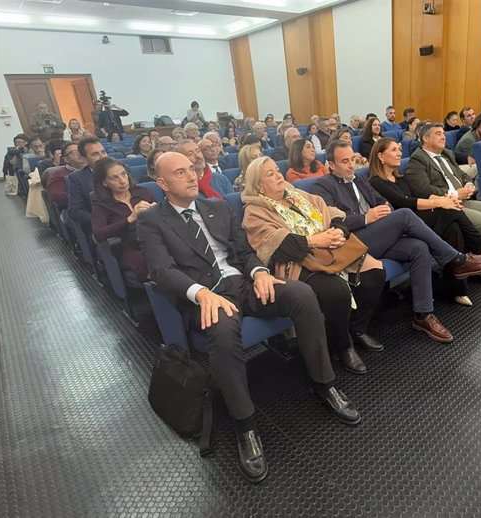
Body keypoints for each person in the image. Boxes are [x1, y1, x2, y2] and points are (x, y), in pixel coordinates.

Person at [136, 151, 361, 483]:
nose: (191, 176)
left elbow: (242, 252)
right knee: (224, 334)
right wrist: (201, 293)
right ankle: (246, 426)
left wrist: (258, 272)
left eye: (192, 170)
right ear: (162, 183)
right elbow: (162, 270)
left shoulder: (217, 207)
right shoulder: (152, 220)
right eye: (180, 172)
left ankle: (324, 384)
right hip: (207, 295)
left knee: (301, 293)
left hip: (243, 283)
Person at [313, 140, 481, 342]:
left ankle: (423, 314)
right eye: (344, 161)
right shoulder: (322, 186)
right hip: (354, 241)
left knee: (418, 247)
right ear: (331, 165)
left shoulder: (358, 179)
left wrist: (383, 211)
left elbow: (381, 201)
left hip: (379, 234)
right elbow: (332, 222)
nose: (350, 165)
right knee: (405, 215)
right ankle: (458, 260)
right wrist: (367, 218)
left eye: (352, 160)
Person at [241, 157, 386, 373]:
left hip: (330, 249)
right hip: (297, 262)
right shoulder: (255, 210)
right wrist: (315, 241)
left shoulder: (296, 194)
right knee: (336, 293)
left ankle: (356, 328)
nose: (278, 175)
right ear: (259, 185)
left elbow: (332, 213)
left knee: (375, 273)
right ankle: (343, 345)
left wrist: (338, 230)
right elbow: (274, 246)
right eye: (269, 174)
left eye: (277, 170)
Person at [369, 138, 481, 304]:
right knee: (447, 210)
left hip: (419, 217)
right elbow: (404, 203)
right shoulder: (375, 182)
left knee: (453, 227)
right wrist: (440, 203)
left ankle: (456, 288)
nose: (399, 153)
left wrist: (445, 198)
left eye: (399, 149)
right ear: (381, 156)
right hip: (405, 227)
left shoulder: (400, 179)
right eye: (394, 150)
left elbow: (418, 196)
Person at [404, 122, 481, 282]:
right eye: (438, 133)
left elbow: (462, 175)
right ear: (425, 138)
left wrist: (468, 184)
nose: (443, 136)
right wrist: (455, 193)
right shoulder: (418, 159)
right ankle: (480, 261)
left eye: (443, 133)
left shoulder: (447, 154)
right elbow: (422, 190)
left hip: (463, 199)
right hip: (444, 205)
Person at [91, 157, 155, 280]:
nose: (122, 181)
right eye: (115, 178)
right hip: (128, 247)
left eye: (123, 174)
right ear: (105, 183)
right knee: (149, 260)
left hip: (153, 239)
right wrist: (129, 219)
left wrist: (156, 211)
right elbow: (98, 233)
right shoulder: (101, 203)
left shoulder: (143, 192)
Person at [46, 141, 88, 208]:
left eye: (81, 151)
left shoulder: (95, 169)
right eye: (75, 152)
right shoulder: (58, 175)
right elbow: (57, 197)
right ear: (66, 159)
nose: (80, 154)